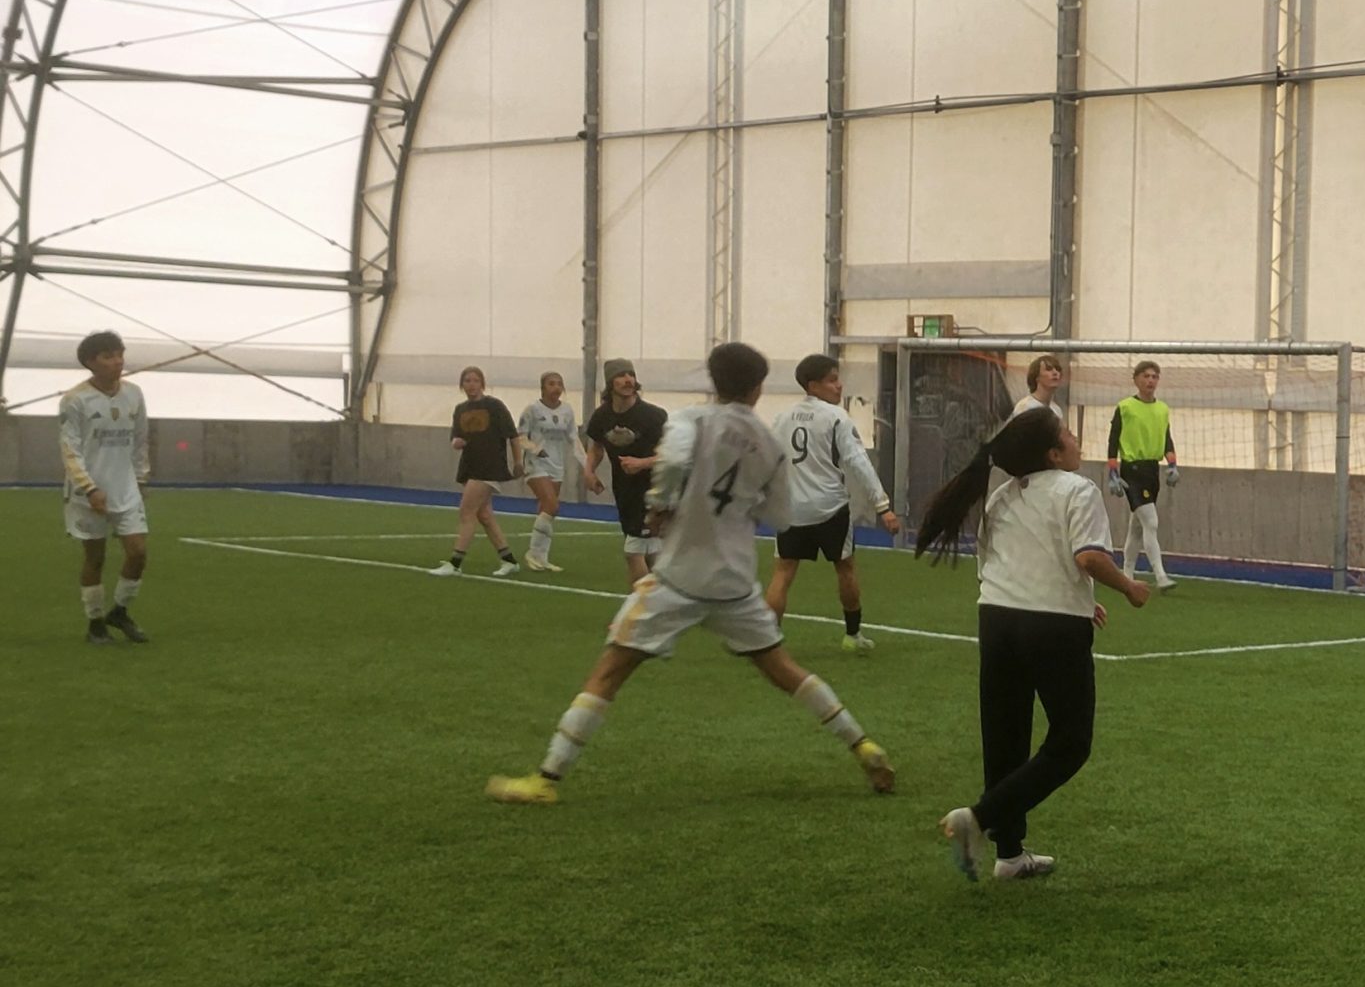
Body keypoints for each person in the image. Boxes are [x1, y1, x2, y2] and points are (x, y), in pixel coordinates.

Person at [487, 342, 894, 805]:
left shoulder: (689, 420)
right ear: (758, 388)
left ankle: (546, 778)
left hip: (679, 576)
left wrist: (660, 506)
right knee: (785, 670)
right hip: (735, 582)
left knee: (610, 671)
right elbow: (781, 516)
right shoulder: (769, 445)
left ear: (712, 381)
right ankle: (862, 744)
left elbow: (676, 463)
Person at [917, 406, 1149, 881]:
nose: (1075, 437)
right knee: (1070, 743)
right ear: (1054, 452)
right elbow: (1087, 557)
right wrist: (1127, 587)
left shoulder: (1001, 496)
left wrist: (1080, 601)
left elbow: (1002, 565)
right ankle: (978, 820)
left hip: (997, 619)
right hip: (1052, 629)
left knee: (1005, 738)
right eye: (1066, 432)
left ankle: (1009, 856)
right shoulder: (1077, 490)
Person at [766, 354, 901, 651]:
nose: (839, 386)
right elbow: (857, 462)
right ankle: (853, 636)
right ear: (813, 385)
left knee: (783, 572)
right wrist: (883, 506)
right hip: (829, 507)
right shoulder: (836, 417)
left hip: (792, 509)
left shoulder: (782, 418)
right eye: (832, 380)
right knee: (845, 567)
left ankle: (767, 642)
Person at [60, 330, 151, 644]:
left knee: (138, 553)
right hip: (88, 493)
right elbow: (70, 450)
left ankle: (120, 612)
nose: (118, 361)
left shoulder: (134, 394)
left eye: (120, 353)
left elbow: (140, 441)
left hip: (126, 490)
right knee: (95, 558)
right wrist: (89, 488)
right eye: (109, 356)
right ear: (90, 362)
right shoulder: (75, 400)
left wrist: (141, 479)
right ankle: (95, 624)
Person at [427, 367, 521, 577]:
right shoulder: (460, 409)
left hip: (489, 466)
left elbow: (512, 436)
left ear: (482, 383)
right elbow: (456, 437)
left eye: (475, 380)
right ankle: (509, 560)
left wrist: (517, 461)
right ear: (462, 385)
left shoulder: (494, 406)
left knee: (466, 511)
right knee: (484, 515)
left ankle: (455, 562)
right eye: (467, 381)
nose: (471, 384)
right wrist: (456, 442)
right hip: (470, 465)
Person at [583, 358, 669, 585]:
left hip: (655, 491)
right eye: (621, 375)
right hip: (624, 493)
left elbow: (673, 455)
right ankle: (661, 605)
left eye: (631, 375)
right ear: (611, 382)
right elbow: (596, 447)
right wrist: (589, 471)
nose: (628, 379)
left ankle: (637, 610)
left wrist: (642, 463)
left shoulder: (654, 416)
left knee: (633, 551)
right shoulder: (602, 416)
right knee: (652, 556)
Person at [1105, 359, 1178, 590]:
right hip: (1132, 469)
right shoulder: (1125, 407)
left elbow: (1166, 438)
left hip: (1151, 470)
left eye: (1154, 376)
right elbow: (1113, 439)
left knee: (1137, 526)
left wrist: (1173, 465)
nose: (1150, 380)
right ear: (1136, 379)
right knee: (1151, 522)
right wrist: (1112, 472)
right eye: (1145, 376)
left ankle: (1126, 573)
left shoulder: (1162, 408)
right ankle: (1160, 575)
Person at [517, 371, 577, 572]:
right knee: (552, 505)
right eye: (551, 383)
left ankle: (541, 557)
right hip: (536, 464)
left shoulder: (567, 411)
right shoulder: (532, 410)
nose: (556, 387)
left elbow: (574, 440)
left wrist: (588, 468)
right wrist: (535, 449)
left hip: (557, 465)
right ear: (543, 388)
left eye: (560, 384)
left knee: (546, 509)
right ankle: (533, 553)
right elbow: (520, 437)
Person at [1008, 353, 1066, 422]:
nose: (1055, 372)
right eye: (1048, 369)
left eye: (1058, 369)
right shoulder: (1025, 407)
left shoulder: (1056, 410)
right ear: (1037, 376)